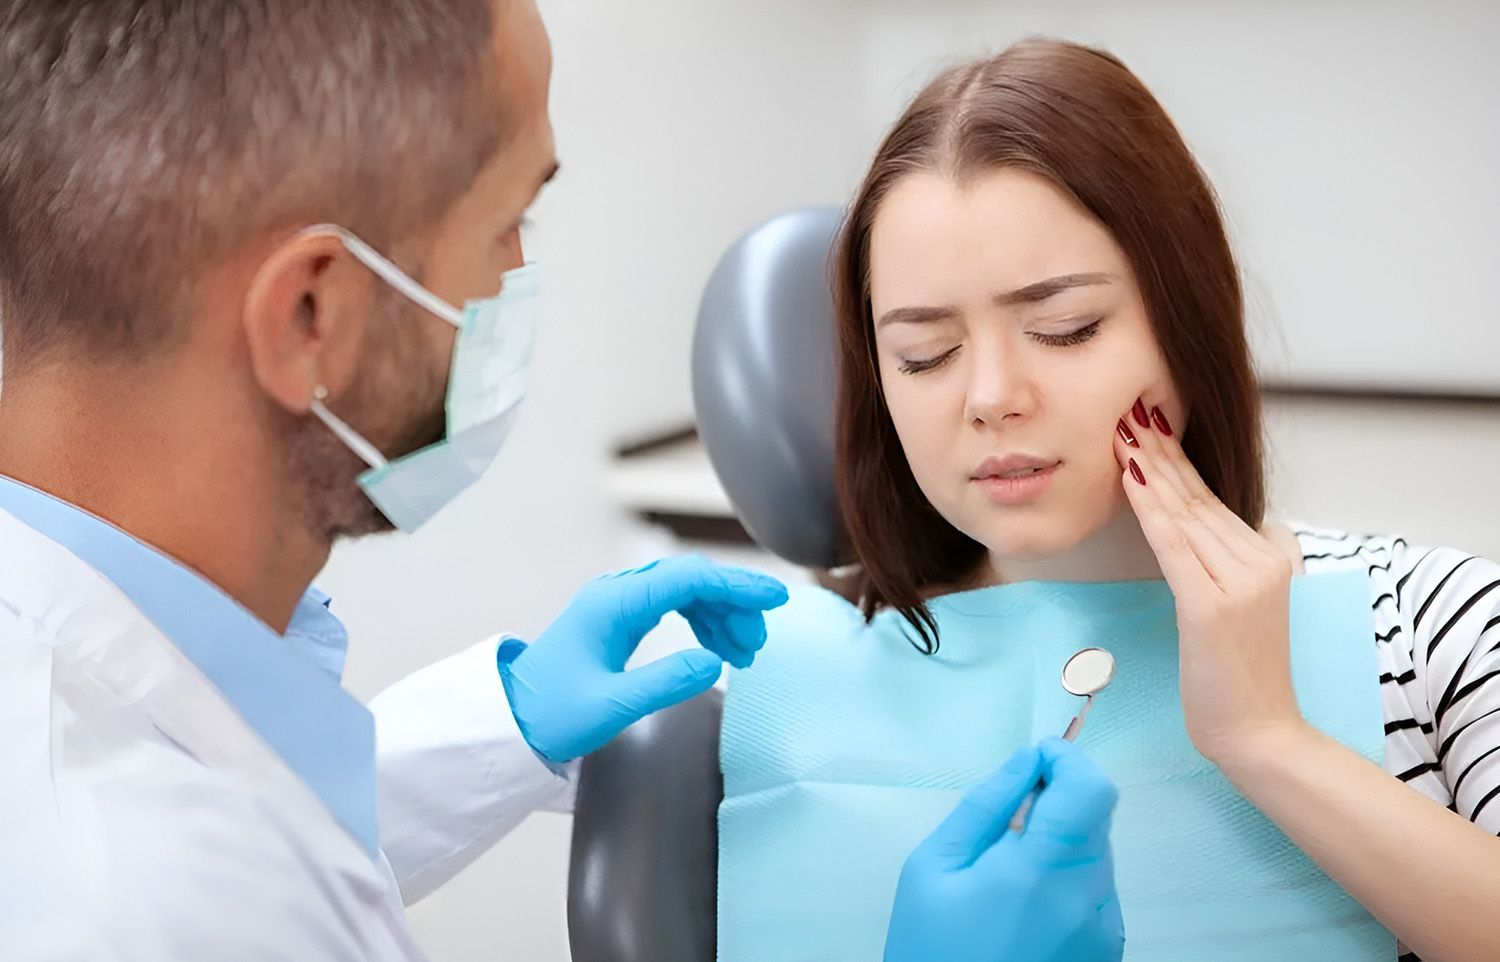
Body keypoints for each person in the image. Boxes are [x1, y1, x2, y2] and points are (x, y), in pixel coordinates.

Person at [0, 2, 1123, 959]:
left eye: (1068, 324)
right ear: (312, 314)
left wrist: (511, 717)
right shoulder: (134, 898)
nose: (520, 279)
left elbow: (265, 822)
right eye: (507, 223)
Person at [726, 37, 1500, 962]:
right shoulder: (775, 689)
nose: (991, 396)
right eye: (925, 353)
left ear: (1187, 319)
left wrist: (1269, 740)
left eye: (1066, 329)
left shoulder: (1433, 624)